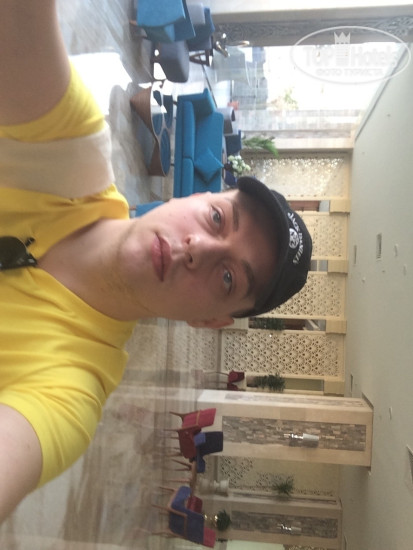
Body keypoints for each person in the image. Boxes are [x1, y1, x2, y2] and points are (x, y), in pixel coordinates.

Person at [0, 0, 312, 523]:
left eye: (228, 277)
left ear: (210, 321)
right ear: (198, 196)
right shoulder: (66, 150)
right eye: (217, 218)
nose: (199, 249)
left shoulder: (66, 394)